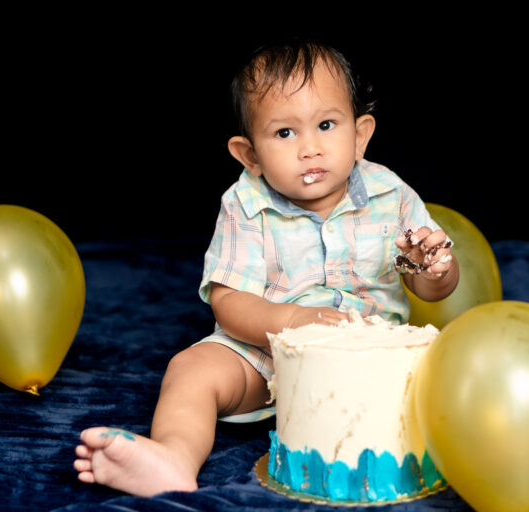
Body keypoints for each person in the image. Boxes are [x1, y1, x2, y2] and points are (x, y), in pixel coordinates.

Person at [73, 39, 459, 497]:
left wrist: (433, 271)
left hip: (374, 357)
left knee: (448, 369)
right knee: (191, 368)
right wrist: (291, 320)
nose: (310, 149)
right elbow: (229, 300)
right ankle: (174, 456)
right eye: (285, 133)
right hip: (268, 357)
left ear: (360, 135)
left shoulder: (390, 193)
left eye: (326, 125)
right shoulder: (245, 204)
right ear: (250, 155)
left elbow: (432, 291)